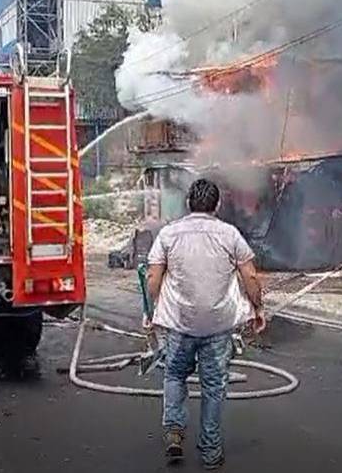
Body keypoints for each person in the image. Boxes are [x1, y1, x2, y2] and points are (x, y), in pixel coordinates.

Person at [146, 178, 266, 469]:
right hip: (218, 326)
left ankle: (174, 431)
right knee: (213, 386)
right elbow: (250, 276)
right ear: (218, 205)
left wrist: (153, 311)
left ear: (188, 203)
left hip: (180, 324)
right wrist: (258, 308)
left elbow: (153, 277)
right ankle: (211, 452)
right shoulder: (230, 234)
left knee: (174, 375)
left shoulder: (169, 234)